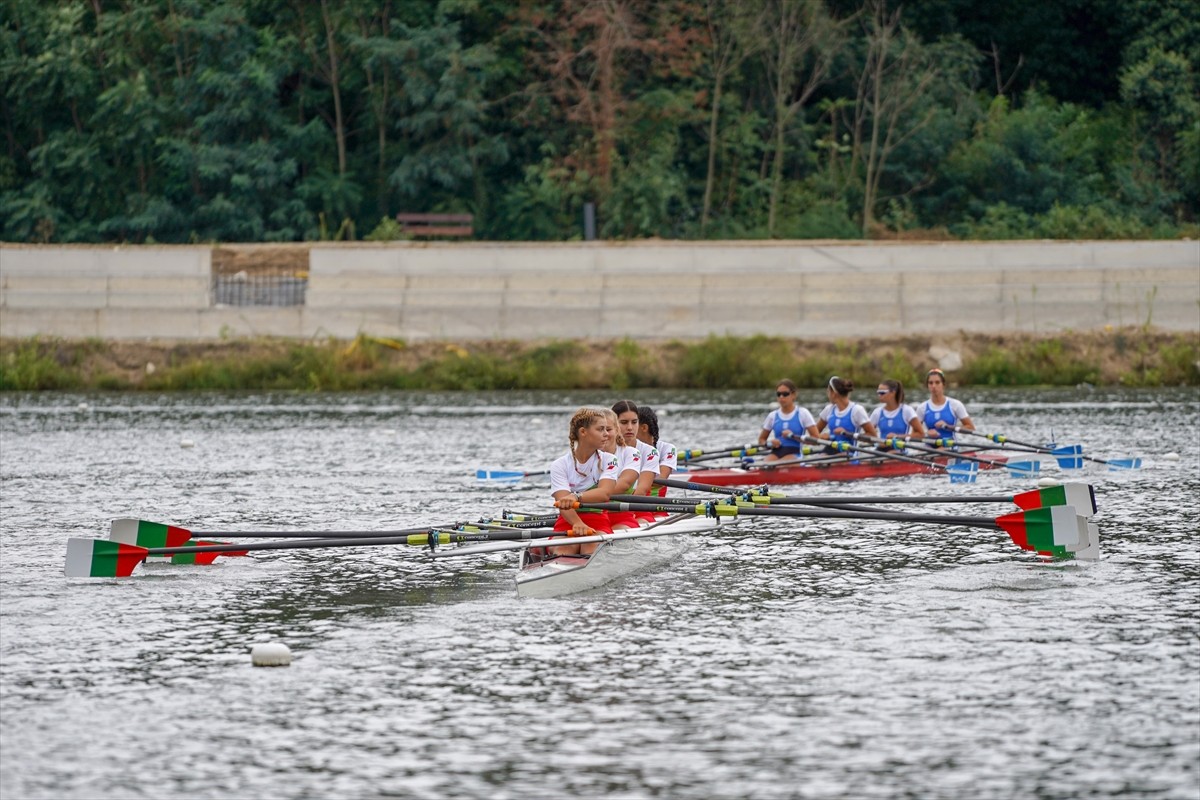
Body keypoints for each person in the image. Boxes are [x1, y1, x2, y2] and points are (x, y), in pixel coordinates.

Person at [549, 407, 620, 556]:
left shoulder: (609, 460)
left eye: (607, 429)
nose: (606, 434)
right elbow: (563, 502)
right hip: (568, 520)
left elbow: (604, 493)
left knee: (590, 549)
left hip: (598, 519)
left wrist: (576, 496)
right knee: (562, 551)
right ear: (583, 432)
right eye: (600, 429)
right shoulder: (559, 465)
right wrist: (577, 523)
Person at [612, 400, 662, 524]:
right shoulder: (603, 449)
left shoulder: (650, 452)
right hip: (604, 508)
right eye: (624, 422)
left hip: (638, 509)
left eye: (634, 422)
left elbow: (642, 490)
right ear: (613, 423)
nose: (630, 427)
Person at [757, 379, 819, 462]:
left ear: (793, 395)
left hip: (795, 453)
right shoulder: (772, 416)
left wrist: (793, 436)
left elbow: (816, 439)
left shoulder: (803, 413)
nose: (781, 397)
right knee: (765, 466)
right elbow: (761, 440)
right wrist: (769, 443)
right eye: (778, 394)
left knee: (778, 465)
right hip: (776, 452)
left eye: (785, 394)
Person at [815, 376, 878, 450]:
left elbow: (873, 436)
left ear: (834, 393)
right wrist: (821, 437)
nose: (827, 395)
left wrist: (848, 434)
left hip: (849, 452)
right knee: (822, 458)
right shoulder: (828, 409)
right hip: (830, 450)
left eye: (828, 392)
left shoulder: (857, 410)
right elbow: (814, 434)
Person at [637, 405, 677, 519]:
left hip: (657, 511)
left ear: (644, 427)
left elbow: (660, 480)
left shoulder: (667, 449)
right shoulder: (628, 449)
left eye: (633, 423)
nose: (628, 428)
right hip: (630, 510)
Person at [916, 368, 974, 444]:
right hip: (929, 447)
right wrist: (926, 433)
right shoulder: (922, 408)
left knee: (942, 452)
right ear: (927, 386)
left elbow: (971, 428)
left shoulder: (955, 405)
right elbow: (915, 433)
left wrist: (949, 427)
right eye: (930, 383)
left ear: (943, 385)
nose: (933, 386)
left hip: (950, 446)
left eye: (937, 382)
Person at [869, 379, 925, 447]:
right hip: (881, 449)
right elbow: (869, 434)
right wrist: (876, 440)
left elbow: (921, 434)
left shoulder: (906, 411)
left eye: (882, 393)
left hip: (900, 451)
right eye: (878, 392)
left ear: (893, 392)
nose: (879, 395)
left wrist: (897, 437)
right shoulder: (877, 412)